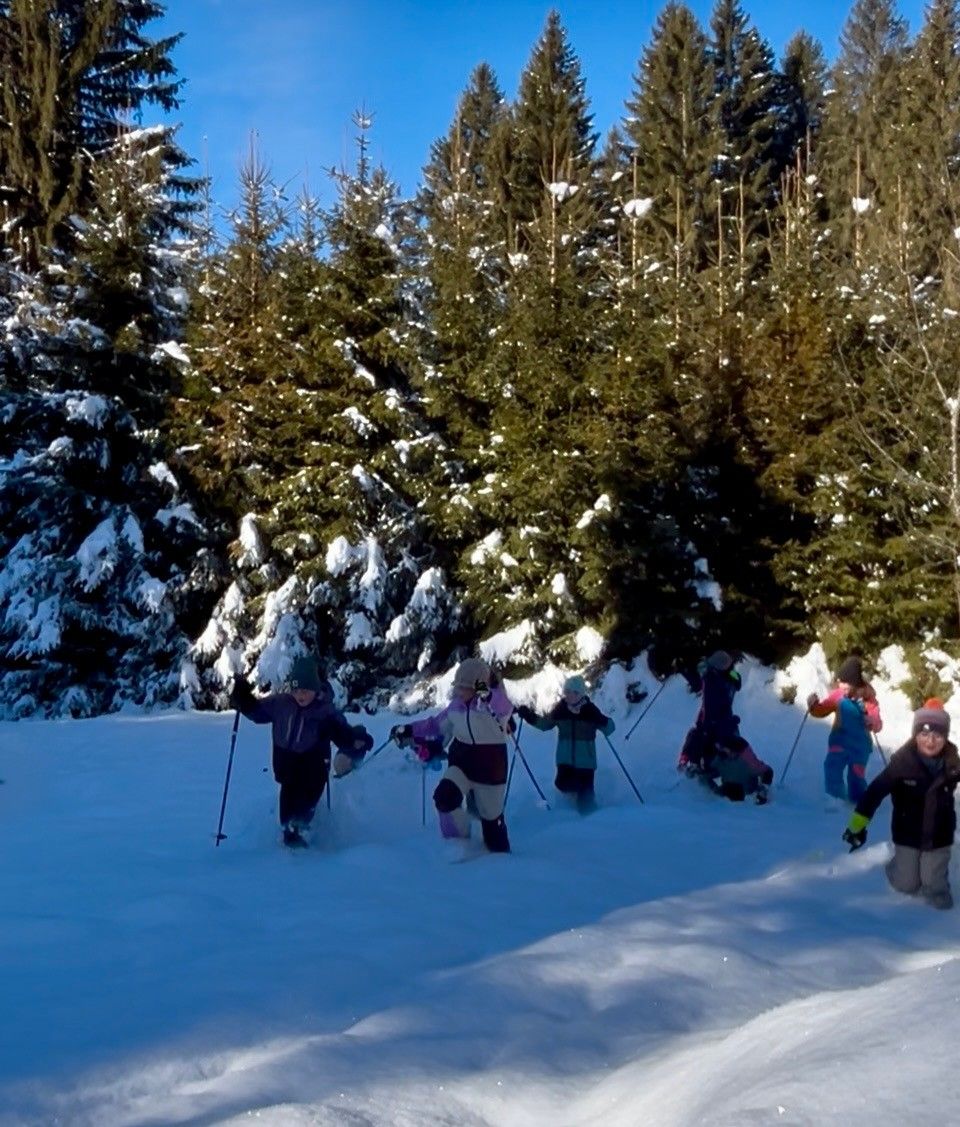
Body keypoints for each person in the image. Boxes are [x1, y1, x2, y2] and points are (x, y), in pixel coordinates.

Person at [231, 656, 372, 847]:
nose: (300, 695)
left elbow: (343, 734)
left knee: (306, 803)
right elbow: (257, 712)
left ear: (315, 687)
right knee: (287, 805)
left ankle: (302, 840)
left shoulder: (324, 711)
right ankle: (289, 836)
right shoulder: (281, 704)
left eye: (305, 690)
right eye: (296, 690)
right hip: (286, 766)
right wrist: (244, 700)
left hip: (313, 766)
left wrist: (357, 740)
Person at [843, 698, 960, 909]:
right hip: (908, 834)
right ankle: (896, 866)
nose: (930, 741)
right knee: (907, 884)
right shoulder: (902, 765)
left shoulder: (952, 765)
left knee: (933, 881)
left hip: (939, 835)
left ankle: (938, 888)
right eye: (924, 734)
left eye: (937, 734)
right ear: (915, 735)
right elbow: (874, 793)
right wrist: (856, 826)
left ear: (945, 736)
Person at [391, 656, 513, 852]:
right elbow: (434, 726)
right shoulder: (455, 707)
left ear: (477, 687)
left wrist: (487, 694)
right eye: (458, 686)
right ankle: (458, 844)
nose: (459, 692)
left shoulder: (492, 707)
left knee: (493, 829)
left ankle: (500, 863)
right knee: (444, 798)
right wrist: (409, 730)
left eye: (464, 687)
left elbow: (505, 707)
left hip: (490, 771)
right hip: (462, 765)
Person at [515, 675, 614, 812]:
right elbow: (545, 724)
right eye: (566, 692)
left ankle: (594, 824)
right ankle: (568, 822)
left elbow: (610, 728)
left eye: (571, 692)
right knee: (563, 786)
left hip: (586, 763)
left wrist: (601, 719)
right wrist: (529, 716)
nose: (567, 695)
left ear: (579, 694)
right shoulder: (561, 709)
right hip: (565, 761)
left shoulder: (590, 711)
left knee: (586, 803)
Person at [808, 655, 882, 804]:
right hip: (839, 740)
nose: (841, 686)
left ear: (855, 683)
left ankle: (859, 800)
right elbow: (823, 709)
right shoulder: (838, 696)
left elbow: (878, 723)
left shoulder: (868, 700)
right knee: (832, 766)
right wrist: (814, 706)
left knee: (856, 774)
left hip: (860, 746)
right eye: (840, 682)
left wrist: (872, 721)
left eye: (845, 683)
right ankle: (834, 797)